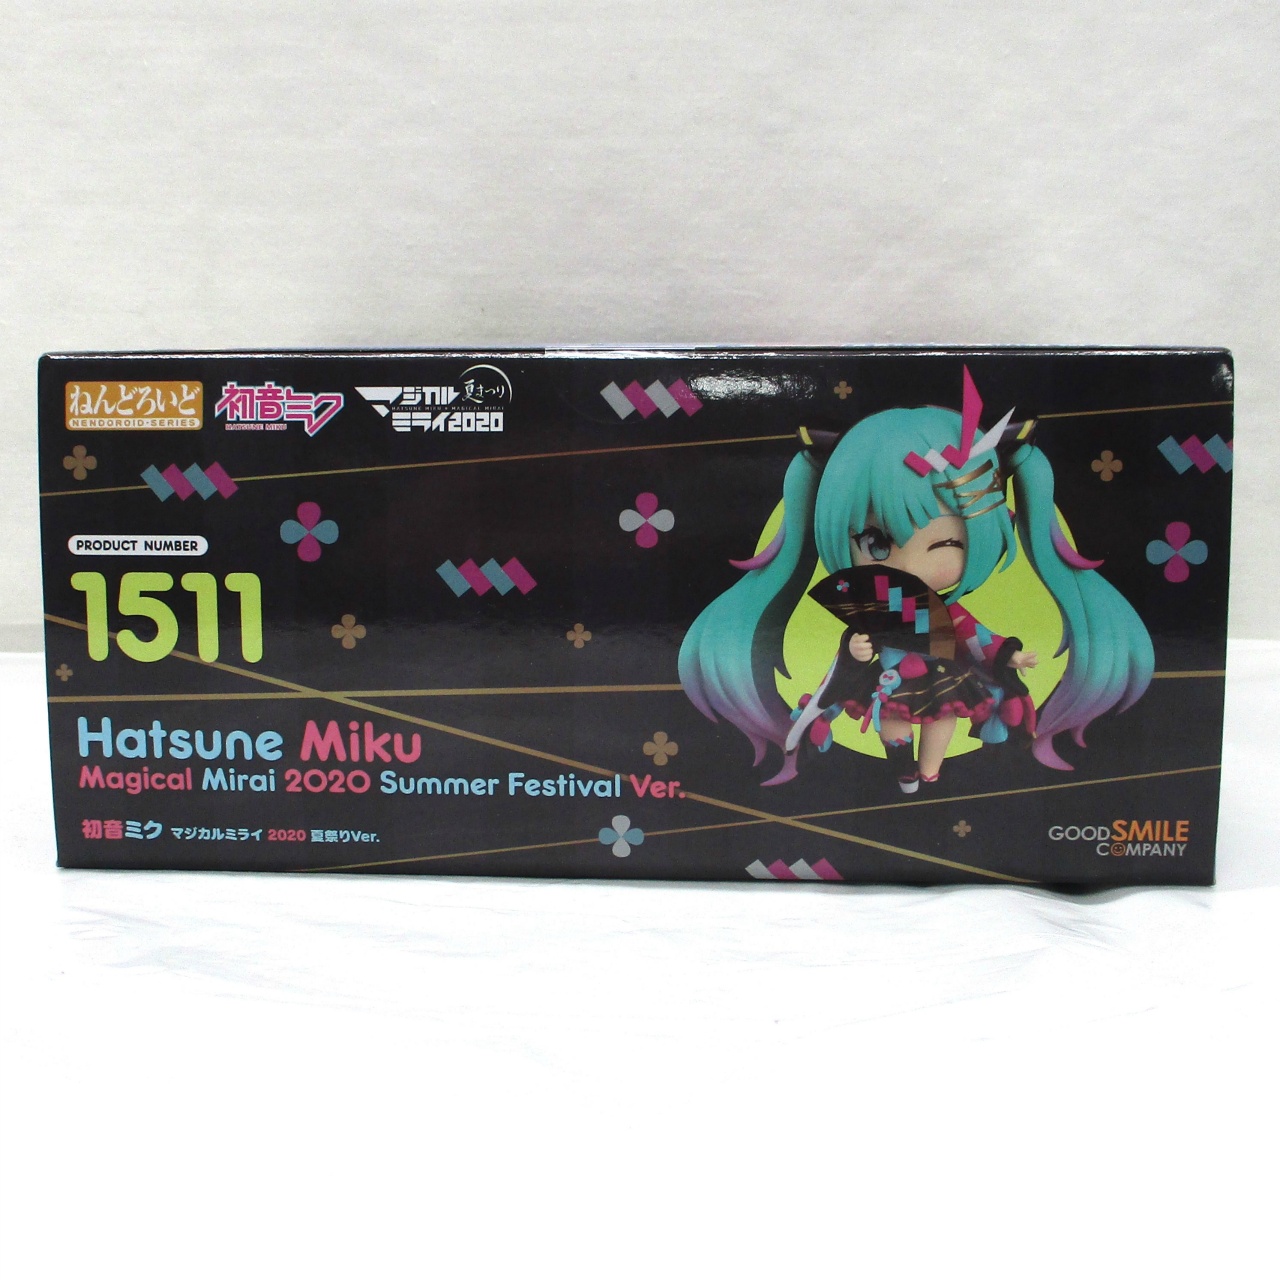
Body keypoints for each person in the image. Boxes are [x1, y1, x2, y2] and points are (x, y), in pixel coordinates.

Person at [678, 368, 1154, 789]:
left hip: (943, 677)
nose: (907, 567)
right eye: (876, 543)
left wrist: (1009, 654)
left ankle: (929, 772)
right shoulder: (872, 607)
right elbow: (853, 651)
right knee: (892, 724)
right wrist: (855, 649)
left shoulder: (947, 613)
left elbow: (974, 636)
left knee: (943, 721)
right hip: (890, 679)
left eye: (945, 544)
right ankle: (904, 770)